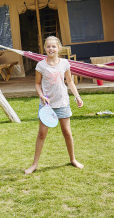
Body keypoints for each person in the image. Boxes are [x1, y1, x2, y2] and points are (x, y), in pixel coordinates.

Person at [24, 36, 84, 174]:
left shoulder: (64, 63)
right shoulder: (40, 65)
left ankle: (73, 159)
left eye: (54, 46)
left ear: (59, 48)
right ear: (44, 48)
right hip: (47, 105)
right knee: (41, 134)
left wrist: (77, 96)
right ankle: (34, 165)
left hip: (62, 102)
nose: (51, 49)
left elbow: (70, 81)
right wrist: (41, 95)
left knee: (67, 133)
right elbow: (37, 84)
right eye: (48, 46)